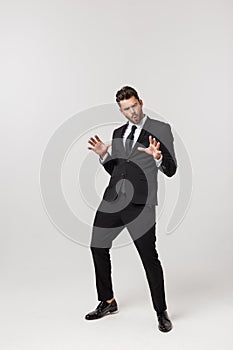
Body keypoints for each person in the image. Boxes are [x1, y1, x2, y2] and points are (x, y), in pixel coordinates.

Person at [85, 86, 177, 332]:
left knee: (149, 258)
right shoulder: (118, 132)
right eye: (126, 109)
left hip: (141, 205)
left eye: (134, 106)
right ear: (121, 110)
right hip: (114, 200)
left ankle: (161, 311)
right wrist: (105, 156)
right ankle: (107, 301)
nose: (132, 112)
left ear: (141, 103)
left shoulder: (160, 129)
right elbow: (117, 172)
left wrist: (158, 157)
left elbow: (171, 168)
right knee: (98, 245)